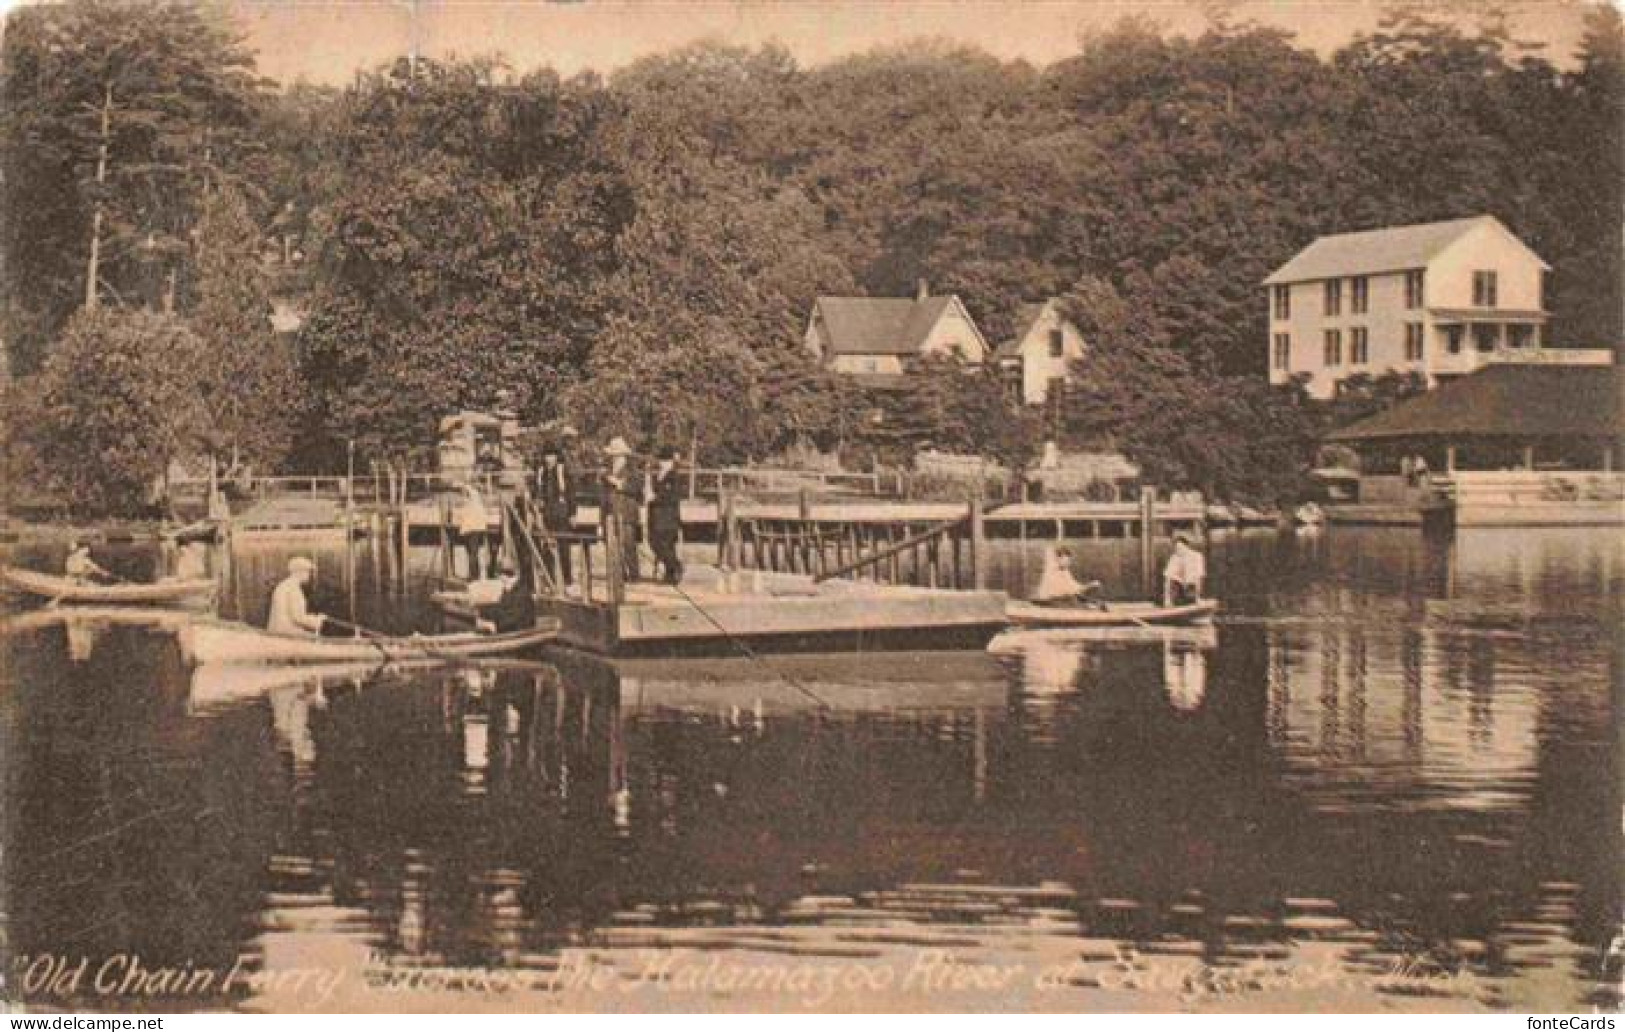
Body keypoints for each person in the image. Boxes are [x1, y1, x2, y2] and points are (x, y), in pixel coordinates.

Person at [601, 437, 642, 582]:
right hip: (612, 512)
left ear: (623, 456)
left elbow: (638, 490)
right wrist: (603, 516)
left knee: (628, 544)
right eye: (613, 456)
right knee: (614, 545)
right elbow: (604, 496)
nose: (614, 459)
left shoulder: (632, 471)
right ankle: (620, 573)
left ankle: (634, 574)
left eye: (617, 456)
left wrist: (620, 485)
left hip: (627, 513)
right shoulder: (607, 473)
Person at [536, 443, 576, 587]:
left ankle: (567, 578)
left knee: (563, 545)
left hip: (561, 511)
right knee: (547, 546)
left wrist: (572, 513)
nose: (549, 459)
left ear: (556, 457)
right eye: (547, 456)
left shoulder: (562, 470)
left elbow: (571, 492)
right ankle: (550, 578)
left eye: (551, 456)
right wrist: (539, 505)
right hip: (547, 513)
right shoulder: (541, 472)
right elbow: (538, 491)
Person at [647, 447, 686, 587]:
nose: (662, 462)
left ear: (670, 461)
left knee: (664, 544)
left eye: (665, 460)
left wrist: (655, 498)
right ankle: (671, 573)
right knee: (656, 543)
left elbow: (672, 497)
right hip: (658, 516)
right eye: (661, 460)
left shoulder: (673, 476)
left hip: (668, 516)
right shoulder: (659, 475)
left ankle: (675, 566)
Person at [268, 556, 326, 636]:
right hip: (286, 634)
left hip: (280, 632)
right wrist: (316, 621)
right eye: (307, 571)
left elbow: (294, 614)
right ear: (299, 572)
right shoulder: (293, 589)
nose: (309, 575)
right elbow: (297, 617)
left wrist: (313, 618)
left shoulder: (285, 585)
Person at [1031, 546, 1103, 608]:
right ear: (1057, 559)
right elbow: (1067, 591)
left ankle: (1092, 606)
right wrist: (1089, 586)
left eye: (1069, 560)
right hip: (1052, 600)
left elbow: (1075, 586)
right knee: (1078, 601)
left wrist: (1089, 586)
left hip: (1062, 598)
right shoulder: (1051, 569)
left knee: (1089, 601)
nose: (1069, 562)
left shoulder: (1065, 570)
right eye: (1067, 560)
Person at [457, 483, 492, 581]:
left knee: (473, 552)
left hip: (474, 528)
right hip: (471, 528)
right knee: (471, 552)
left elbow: (468, 489)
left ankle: (473, 576)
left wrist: (464, 486)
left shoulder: (474, 498)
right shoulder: (470, 502)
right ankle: (474, 574)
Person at [1163, 533, 1207, 606]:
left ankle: (1196, 599)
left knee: (1191, 592)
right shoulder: (1174, 558)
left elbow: (1199, 577)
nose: (1179, 550)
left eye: (1181, 548)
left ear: (1187, 546)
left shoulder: (1197, 556)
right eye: (1177, 549)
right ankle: (1173, 603)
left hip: (1191, 585)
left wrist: (1198, 597)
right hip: (1179, 587)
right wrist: (1167, 599)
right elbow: (1168, 579)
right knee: (1172, 583)